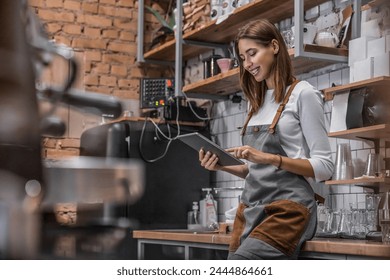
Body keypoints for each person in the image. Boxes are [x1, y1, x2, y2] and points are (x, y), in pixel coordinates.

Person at [199, 19, 334, 260]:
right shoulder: (256, 103)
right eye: (242, 57)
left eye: (252, 53)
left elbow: (325, 167)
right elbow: (256, 171)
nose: (247, 63)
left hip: (288, 211)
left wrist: (270, 157)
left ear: (274, 46)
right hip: (250, 211)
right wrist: (221, 165)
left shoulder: (304, 94)